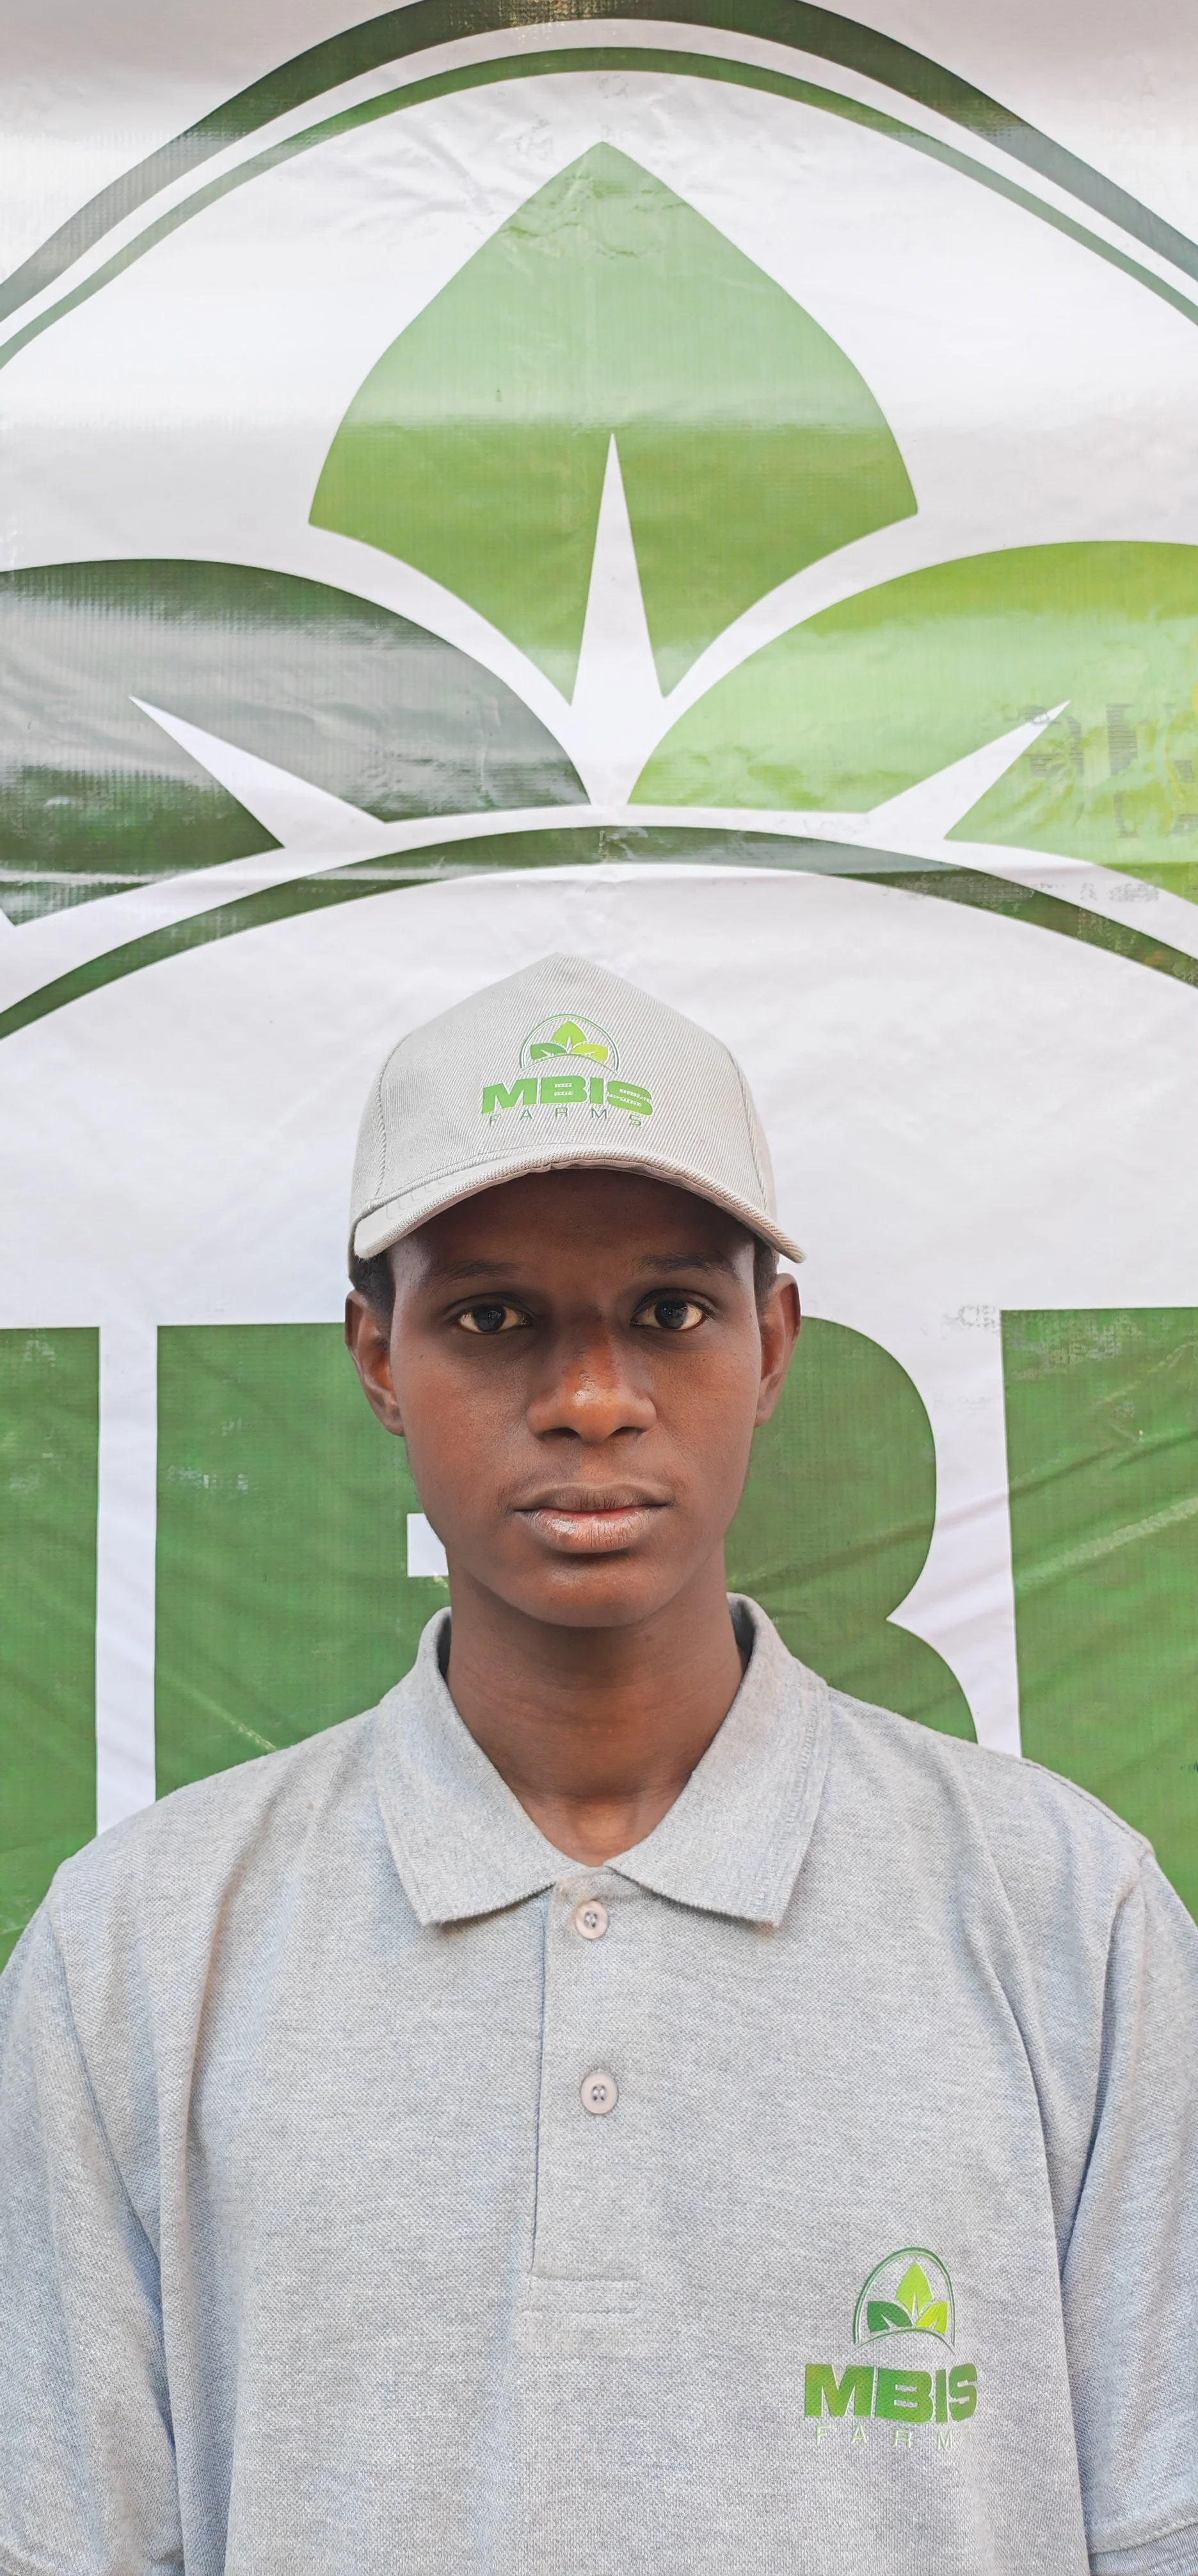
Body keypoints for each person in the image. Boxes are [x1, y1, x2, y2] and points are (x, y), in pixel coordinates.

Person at [1, 952, 1196, 2576]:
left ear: (772, 1345)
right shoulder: (138, 1947)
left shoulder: (1071, 1914)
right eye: (494, 1317)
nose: (587, 1396)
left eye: (669, 1311)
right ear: (374, 1354)